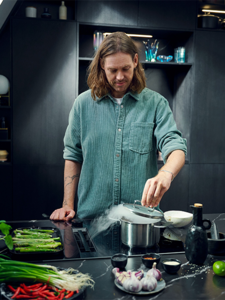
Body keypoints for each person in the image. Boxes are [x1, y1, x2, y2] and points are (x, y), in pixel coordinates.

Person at [50, 32, 187, 221]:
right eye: (113, 70)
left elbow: (176, 146)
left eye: (126, 68)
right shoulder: (82, 104)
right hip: (91, 219)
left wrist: (165, 174)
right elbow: (73, 155)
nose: (120, 77)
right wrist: (67, 205)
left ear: (136, 61)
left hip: (140, 222)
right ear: (102, 66)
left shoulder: (156, 104)